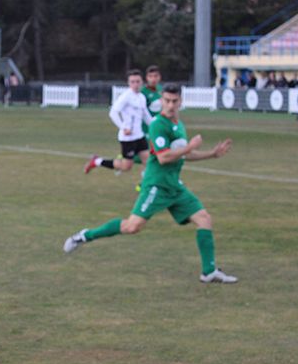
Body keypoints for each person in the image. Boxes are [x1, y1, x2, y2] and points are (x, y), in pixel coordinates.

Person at [63, 84, 237, 284]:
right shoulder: (157, 125)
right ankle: (85, 236)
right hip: (156, 186)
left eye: (174, 101)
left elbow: (183, 155)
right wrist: (189, 146)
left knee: (204, 219)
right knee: (132, 227)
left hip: (174, 186)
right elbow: (164, 158)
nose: (170, 105)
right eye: (167, 101)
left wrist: (211, 154)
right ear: (162, 101)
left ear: (181, 102)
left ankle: (209, 271)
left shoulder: (179, 125)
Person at [83, 69, 152, 174]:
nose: (135, 84)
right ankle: (97, 161)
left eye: (138, 81)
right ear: (129, 83)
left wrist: (154, 126)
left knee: (148, 162)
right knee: (126, 167)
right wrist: (123, 127)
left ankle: (146, 187)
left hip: (140, 136)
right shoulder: (126, 96)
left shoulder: (141, 97)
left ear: (142, 82)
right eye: (132, 82)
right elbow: (113, 113)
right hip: (128, 138)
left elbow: (145, 114)